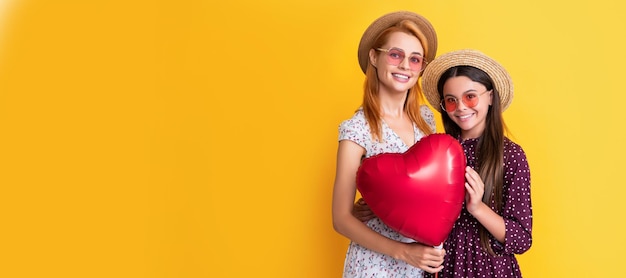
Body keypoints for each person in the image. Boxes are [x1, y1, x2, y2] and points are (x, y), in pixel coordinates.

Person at [355, 49, 533, 277]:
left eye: (470, 96)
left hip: (490, 270)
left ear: (490, 96)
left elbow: (521, 240)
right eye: (451, 101)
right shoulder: (440, 153)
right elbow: (418, 197)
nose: (461, 107)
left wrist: (478, 208)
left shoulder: (510, 156)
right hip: (443, 267)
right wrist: (383, 202)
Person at [331, 11, 445, 277]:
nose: (405, 65)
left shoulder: (427, 120)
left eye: (415, 59)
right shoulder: (357, 129)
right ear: (375, 57)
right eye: (395, 55)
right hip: (374, 265)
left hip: (420, 265)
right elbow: (341, 218)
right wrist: (404, 252)